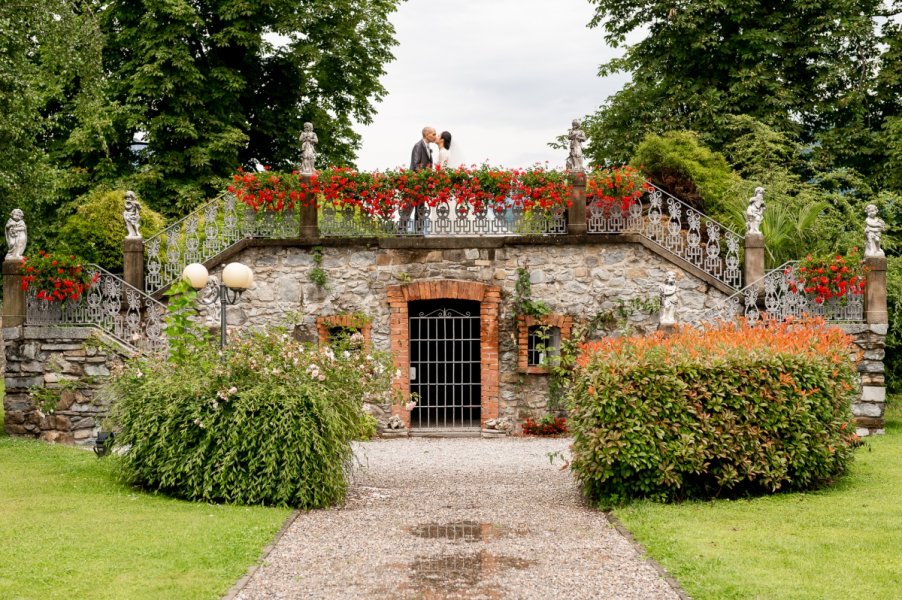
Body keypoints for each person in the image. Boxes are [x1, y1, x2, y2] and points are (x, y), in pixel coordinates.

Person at [400, 126, 436, 233]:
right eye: (433, 134)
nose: (435, 136)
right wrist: (424, 176)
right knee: (409, 206)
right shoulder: (418, 146)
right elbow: (415, 165)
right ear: (426, 134)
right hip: (415, 182)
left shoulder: (427, 147)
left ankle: (418, 232)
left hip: (422, 184)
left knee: (420, 208)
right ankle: (401, 231)